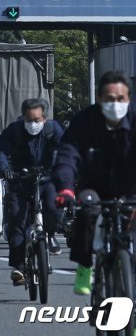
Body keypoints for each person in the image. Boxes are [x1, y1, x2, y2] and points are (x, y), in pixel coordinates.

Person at [53, 71, 136, 295]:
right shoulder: (84, 122)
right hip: (93, 186)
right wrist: (65, 188)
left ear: (128, 99)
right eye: (109, 99)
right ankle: (85, 265)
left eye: (121, 99)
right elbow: (67, 156)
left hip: (129, 190)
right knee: (88, 211)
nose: (115, 104)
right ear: (99, 98)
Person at [0, 98, 63, 286]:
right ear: (23, 117)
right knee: (17, 219)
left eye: (37, 120)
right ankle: (19, 267)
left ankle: (49, 235)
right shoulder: (14, 131)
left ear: (45, 118)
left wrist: (62, 169)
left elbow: (66, 150)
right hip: (20, 181)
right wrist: (4, 168)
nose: (33, 124)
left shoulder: (53, 130)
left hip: (46, 181)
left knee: (53, 207)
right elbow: (0, 151)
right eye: (29, 119)